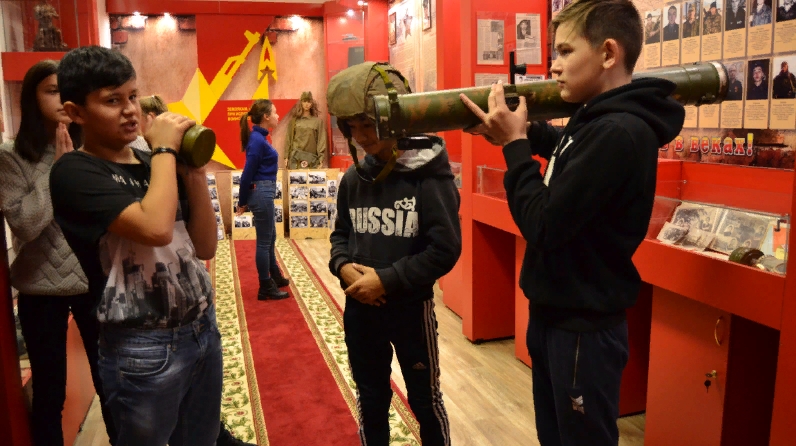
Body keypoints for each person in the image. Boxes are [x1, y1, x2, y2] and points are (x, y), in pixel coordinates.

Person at [460, 0, 684, 444]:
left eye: (565, 52)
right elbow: (570, 146)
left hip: (583, 329)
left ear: (607, 53)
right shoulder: (599, 120)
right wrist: (524, 133)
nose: (554, 66)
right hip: (557, 316)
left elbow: (543, 224)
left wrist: (515, 146)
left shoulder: (618, 131)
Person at [49, 45, 223, 446]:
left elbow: (205, 246)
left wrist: (194, 173)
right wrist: (163, 149)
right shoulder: (74, 171)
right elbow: (155, 229)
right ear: (76, 112)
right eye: (112, 101)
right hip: (141, 346)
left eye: (132, 96)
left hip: (202, 328)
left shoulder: (152, 165)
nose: (130, 110)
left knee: (203, 440)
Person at [326, 61, 461, 446]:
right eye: (352, 127)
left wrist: (387, 279)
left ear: (395, 120)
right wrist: (342, 266)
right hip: (360, 312)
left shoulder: (426, 176)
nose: (360, 136)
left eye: (368, 124)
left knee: (424, 400)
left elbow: (445, 248)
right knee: (370, 399)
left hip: (410, 311)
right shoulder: (353, 179)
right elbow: (340, 235)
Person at [0, 59, 116, 446]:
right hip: (40, 288)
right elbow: (26, 225)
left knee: (112, 384)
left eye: (66, 91)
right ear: (32, 99)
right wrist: (58, 171)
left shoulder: (93, 147)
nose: (61, 98)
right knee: (50, 393)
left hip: (94, 281)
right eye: (51, 91)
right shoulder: (12, 156)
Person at [237, 99, 290, 300]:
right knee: (264, 241)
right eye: (275, 112)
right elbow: (247, 174)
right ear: (266, 117)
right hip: (261, 192)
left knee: (270, 237)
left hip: (263, 191)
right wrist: (242, 201)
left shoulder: (259, 138)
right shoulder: (257, 141)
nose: (278, 116)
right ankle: (265, 285)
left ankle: (274, 274)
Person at [285, 91, 327, 169]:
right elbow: (288, 139)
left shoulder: (317, 122)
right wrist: (286, 157)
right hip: (295, 158)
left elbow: (321, 141)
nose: (306, 104)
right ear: (301, 103)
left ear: (312, 103)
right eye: (304, 101)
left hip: (312, 159)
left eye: (309, 101)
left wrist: (321, 159)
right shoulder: (294, 121)